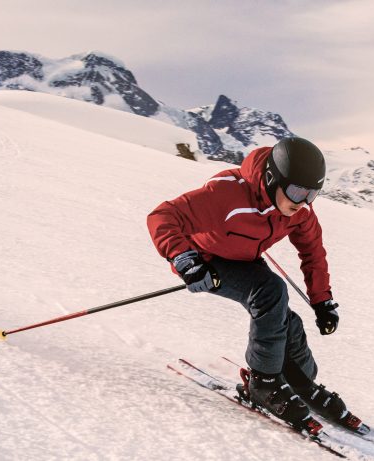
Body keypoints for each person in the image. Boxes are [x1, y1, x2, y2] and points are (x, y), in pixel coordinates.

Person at [146, 137, 359, 434]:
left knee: (284, 319)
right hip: (206, 261)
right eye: (297, 191)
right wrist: (186, 260)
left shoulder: (299, 212)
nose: (302, 203)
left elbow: (313, 253)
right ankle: (264, 383)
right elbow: (163, 216)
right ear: (273, 179)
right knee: (270, 292)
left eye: (312, 194)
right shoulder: (226, 194)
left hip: (245, 260)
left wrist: (322, 301)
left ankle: (300, 381)